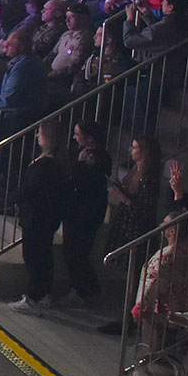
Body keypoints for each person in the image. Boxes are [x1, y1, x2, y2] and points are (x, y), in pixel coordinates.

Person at [9, 119, 71, 314]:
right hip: (44, 217)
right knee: (42, 255)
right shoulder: (53, 162)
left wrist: (12, 197)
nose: (37, 136)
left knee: (35, 257)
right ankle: (43, 293)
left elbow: (31, 188)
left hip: (38, 217)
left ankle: (34, 297)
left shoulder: (47, 166)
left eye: (41, 133)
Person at [61, 120, 113, 303]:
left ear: (90, 138)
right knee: (70, 250)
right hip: (76, 208)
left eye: (78, 134)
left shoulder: (101, 158)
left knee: (77, 251)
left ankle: (86, 289)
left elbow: (85, 182)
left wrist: (81, 164)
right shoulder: (80, 152)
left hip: (88, 210)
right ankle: (83, 288)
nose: (75, 138)